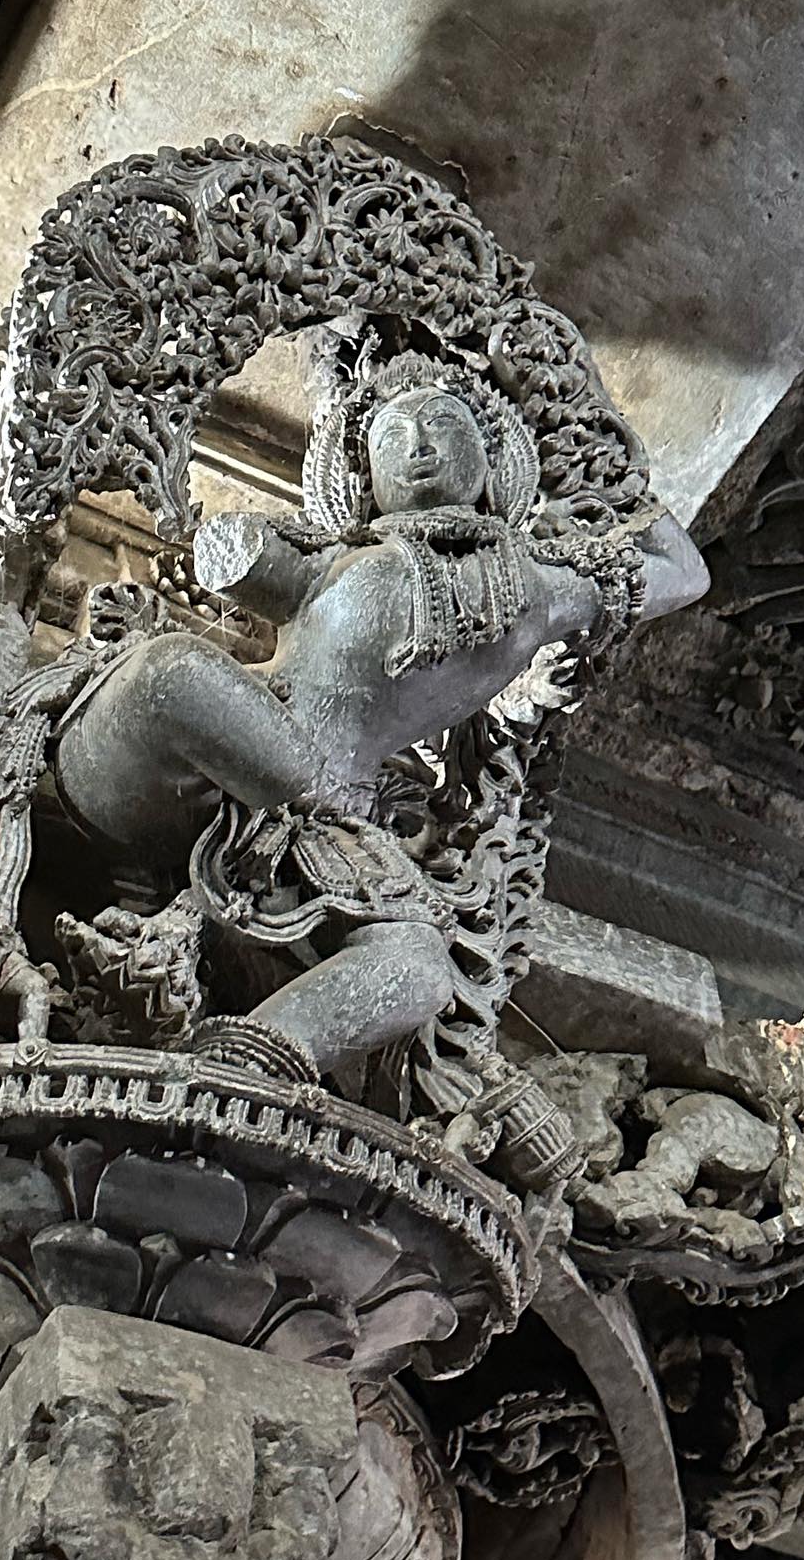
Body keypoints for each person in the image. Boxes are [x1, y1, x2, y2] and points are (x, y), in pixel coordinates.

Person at [51, 352, 709, 1074]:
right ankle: (302, 794)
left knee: (418, 971)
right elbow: (229, 561)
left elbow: (684, 573)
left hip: (323, 824)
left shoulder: (539, 588)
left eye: (443, 425)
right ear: (363, 474)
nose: (420, 446)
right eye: (393, 435)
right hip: (204, 752)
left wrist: (583, 424)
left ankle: (234, 1075)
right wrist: (232, 548)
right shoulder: (335, 558)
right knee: (170, 669)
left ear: (492, 458)